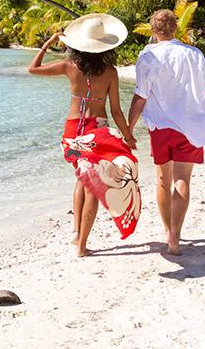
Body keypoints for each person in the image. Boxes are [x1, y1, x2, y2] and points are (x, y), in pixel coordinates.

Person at [28, 13, 141, 257]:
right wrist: (128, 137)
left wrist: (48, 43)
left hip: (72, 132)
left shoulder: (70, 66)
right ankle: (81, 246)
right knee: (92, 187)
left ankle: (77, 235)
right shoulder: (110, 72)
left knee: (82, 180)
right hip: (97, 131)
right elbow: (116, 111)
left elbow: (33, 68)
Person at [127, 9, 205, 256]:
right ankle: (175, 236)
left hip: (160, 128)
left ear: (153, 30)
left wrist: (128, 128)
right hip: (190, 127)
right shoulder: (194, 54)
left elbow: (140, 96)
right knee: (182, 180)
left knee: (162, 181)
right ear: (175, 29)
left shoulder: (147, 57)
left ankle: (168, 231)